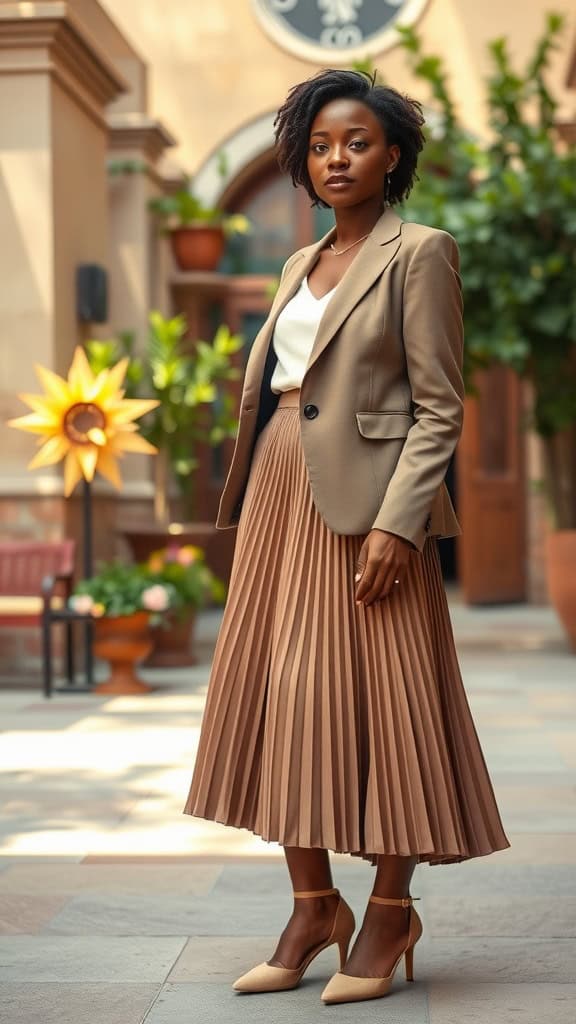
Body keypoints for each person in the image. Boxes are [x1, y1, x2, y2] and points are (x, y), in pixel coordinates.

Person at [183, 69, 510, 1006]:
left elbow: (439, 409)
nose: (337, 158)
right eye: (322, 145)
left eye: (357, 142)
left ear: (392, 154)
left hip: (371, 506)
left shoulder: (422, 252)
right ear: (302, 158)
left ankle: (392, 907)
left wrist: (400, 526)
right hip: (282, 495)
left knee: (389, 700)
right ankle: (312, 903)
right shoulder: (298, 265)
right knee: (282, 694)